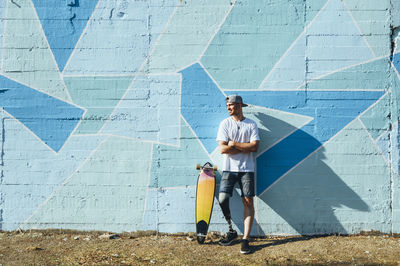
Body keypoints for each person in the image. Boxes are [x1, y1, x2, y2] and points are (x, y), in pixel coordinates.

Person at [216, 95, 260, 254]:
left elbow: (255, 147)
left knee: (248, 202)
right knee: (222, 199)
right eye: (227, 105)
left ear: (240, 105)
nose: (228, 108)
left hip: (247, 169)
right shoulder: (225, 124)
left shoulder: (251, 124)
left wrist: (233, 144)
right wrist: (244, 147)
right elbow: (222, 149)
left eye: (231, 105)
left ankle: (245, 239)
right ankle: (231, 230)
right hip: (229, 168)